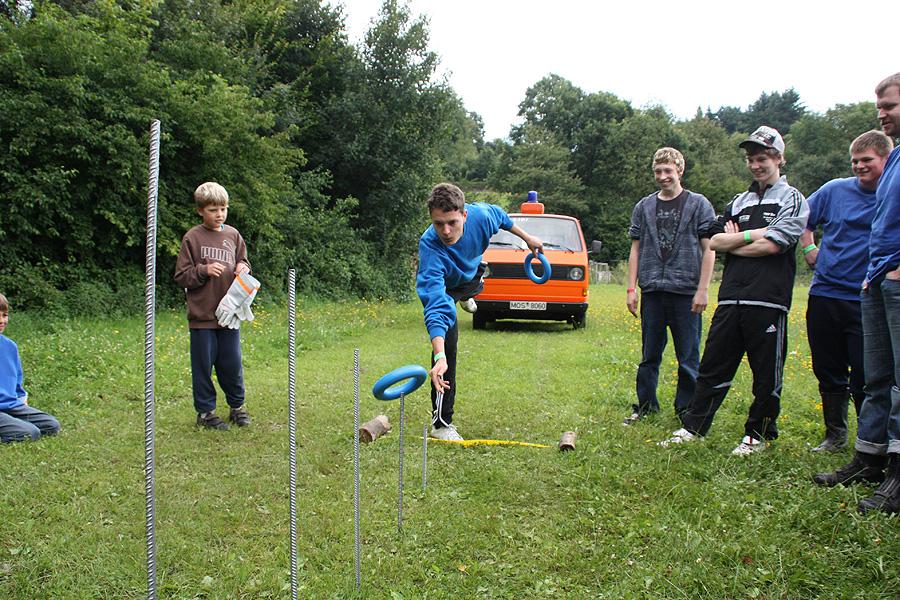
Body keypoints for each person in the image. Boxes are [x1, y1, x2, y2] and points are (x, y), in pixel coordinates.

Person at [660, 125, 809, 455]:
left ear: (779, 159)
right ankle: (694, 427)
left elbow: (774, 246)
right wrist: (753, 234)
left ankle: (758, 435)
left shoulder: (793, 199)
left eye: (763, 158)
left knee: (765, 374)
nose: (756, 165)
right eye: (751, 159)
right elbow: (714, 240)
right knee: (713, 365)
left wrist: (737, 239)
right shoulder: (739, 201)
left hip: (768, 300)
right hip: (731, 297)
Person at [815, 73, 900, 515]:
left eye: (888, 105)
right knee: (876, 378)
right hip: (872, 282)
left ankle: (896, 474)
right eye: (879, 106)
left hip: (892, 282)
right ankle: (868, 459)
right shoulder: (895, 161)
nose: (881, 113)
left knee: (890, 379)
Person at [417, 183, 542, 441]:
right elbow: (434, 303)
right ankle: (441, 424)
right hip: (446, 289)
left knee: (478, 280)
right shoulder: (430, 246)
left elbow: (503, 218)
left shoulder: (482, 216)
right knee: (447, 350)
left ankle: (468, 294)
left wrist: (527, 238)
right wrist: (439, 355)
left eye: (452, 222)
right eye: (438, 224)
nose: (446, 231)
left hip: (471, 275)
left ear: (465, 215)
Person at [801, 131, 893, 452]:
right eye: (855, 161)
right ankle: (835, 434)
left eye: (866, 160)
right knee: (827, 367)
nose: (859, 166)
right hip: (825, 292)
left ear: (886, 159)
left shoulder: (891, 196)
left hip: (868, 297)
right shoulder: (835, 190)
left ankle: (869, 437)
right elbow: (802, 217)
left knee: (866, 375)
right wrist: (809, 247)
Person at [623, 147, 716, 425]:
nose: (663, 176)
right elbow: (635, 250)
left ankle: (686, 410)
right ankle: (646, 405)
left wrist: (703, 289)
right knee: (649, 355)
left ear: (680, 171)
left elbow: (709, 248)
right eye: (658, 171)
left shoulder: (698, 204)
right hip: (652, 290)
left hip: (686, 291)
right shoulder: (644, 206)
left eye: (668, 171)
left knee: (688, 357)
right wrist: (631, 288)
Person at [174, 182, 252, 430]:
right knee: (203, 366)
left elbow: (243, 260)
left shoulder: (233, 235)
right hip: (203, 316)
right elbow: (181, 276)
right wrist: (203, 270)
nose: (220, 214)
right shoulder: (192, 238)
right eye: (213, 209)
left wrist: (243, 267)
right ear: (200, 210)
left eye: (223, 209)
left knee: (232, 363)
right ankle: (206, 413)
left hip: (229, 315)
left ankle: (237, 407)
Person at [0, 293, 61, 443]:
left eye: (5, 315)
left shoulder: (10, 346)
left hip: (10, 405)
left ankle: (11, 422)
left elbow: (17, 381)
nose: (2, 320)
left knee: (51, 425)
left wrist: (22, 401)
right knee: (29, 433)